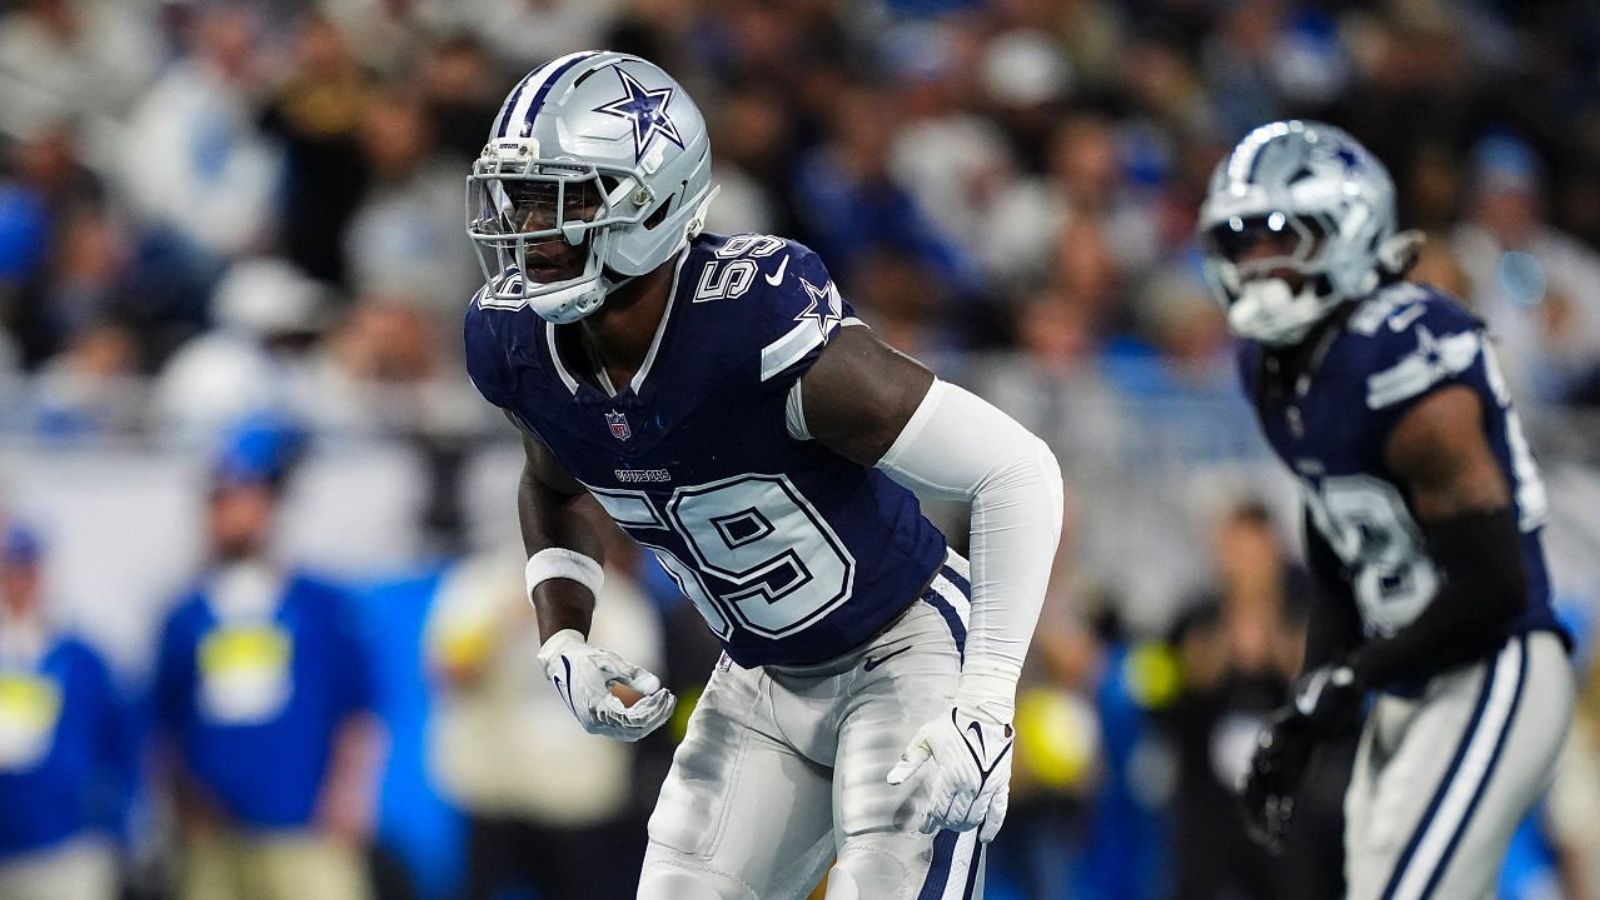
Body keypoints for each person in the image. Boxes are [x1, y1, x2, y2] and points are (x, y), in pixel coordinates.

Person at [461, 51, 1063, 898]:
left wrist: (989, 698)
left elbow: (1015, 471)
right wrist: (565, 634)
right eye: (520, 197)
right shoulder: (517, 345)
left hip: (906, 648)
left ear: (653, 200)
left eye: (564, 198)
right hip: (759, 677)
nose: (530, 227)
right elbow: (555, 481)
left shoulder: (748, 325)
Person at [1200, 120, 1575, 899]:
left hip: (1495, 662)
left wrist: (1350, 676)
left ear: (1349, 228)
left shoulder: (1406, 351)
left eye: (1280, 235)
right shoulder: (1273, 365)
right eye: (1239, 241)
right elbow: (1339, 532)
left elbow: (1496, 584)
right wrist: (1310, 700)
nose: (1256, 261)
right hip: (1410, 677)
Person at [151, 418, 382, 900]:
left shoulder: (320, 606)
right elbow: (163, 725)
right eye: (220, 500)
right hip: (216, 836)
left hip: (305, 830)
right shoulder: (184, 616)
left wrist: (349, 796)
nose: (232, 514)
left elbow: (358, 713)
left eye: (244, 497)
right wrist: (181, 807)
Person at [0, 523, 131, 900]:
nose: (18, 584)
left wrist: (111, 822)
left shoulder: (80, 659)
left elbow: (121, 744)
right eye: (9, 571)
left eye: (26, 571)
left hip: (67, 849)